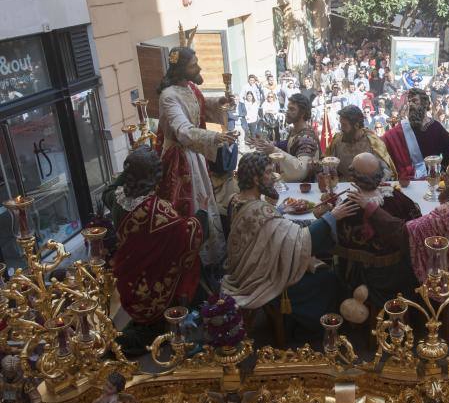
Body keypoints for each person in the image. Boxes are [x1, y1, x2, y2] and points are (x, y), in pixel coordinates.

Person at [220, 152, 359, 336]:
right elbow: (300, 240)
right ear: (255, 178)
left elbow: (265, 233)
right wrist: (332, 216)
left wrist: (279, 210)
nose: (274, 177)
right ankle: (317, 331)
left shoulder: (235, 200)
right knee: (328, 278)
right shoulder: (260, 210)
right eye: (269, 172)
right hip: (262, 279)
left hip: (245, 270)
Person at [102, 147, 203, 356]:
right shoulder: (158, 209)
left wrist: (130, 168)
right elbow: (186, 236)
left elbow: (108, 190)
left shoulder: (117, 199)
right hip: (152, 283)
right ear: (154, 177)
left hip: (129, 278)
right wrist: (200, 216)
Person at [353, 154, 449, 294]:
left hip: (448, 285)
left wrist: (371, 208)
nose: (443, 177)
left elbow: (402, 233)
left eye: (447, 175)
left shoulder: (444, 216)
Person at [156, 46, 236, 266]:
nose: (198, 67)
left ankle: (211, 256)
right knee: (191, 205)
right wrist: (215, 138)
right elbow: (183, 130)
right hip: (180, 160)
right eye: (193, 65)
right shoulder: (168, 96)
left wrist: (219, 102)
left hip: (195, 155)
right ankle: (193, 258)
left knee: (205, 201)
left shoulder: (189, 87)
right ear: (181, 69)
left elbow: (200, 104)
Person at [334, 153, 421, 310]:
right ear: (380, 176)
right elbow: (415, 224)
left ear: (354, 179)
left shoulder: (348, 208)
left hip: (365, 279)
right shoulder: (397, 198)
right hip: (401, 274)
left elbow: (336, 245)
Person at [382, 88, 449, 180]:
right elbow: (383, 144)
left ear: (425, 103)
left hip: (432, 178)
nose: (410, 104)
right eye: (409, 101)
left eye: (414, 101)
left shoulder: (436, 127)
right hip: (408, 180)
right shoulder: (402, 128)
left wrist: (442, 170)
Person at [250, 93, 320, 182]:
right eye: (288, 108)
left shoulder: (306, 138)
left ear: (302, 113)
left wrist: (273, 150)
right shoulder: (295, 131)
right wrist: (270, 144)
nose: (287, 112)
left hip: (303, 188)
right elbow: (290, 144)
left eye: (292, 109)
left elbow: (301, 170)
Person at [325, 105, 396, 181]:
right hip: (342, 187)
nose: (341, 128)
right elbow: (327, 164)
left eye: (344, 125)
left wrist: (378, 182)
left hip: (368, 188)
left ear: (356, 125)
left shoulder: (373, 142)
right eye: (341, 124)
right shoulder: (337, 141)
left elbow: (387, 171)